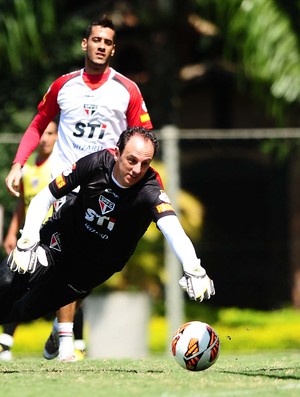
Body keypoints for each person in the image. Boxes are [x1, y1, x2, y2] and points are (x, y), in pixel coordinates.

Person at [4, 15, 153, 362]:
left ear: (113, 49)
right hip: (68, 188)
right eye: (96, 40)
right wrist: (17, 164)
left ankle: (58, 330)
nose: (101, 46)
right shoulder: (64, 85)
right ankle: (67, 345)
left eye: (108, 42)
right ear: (85, 44)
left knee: (90, 271)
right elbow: (39, 122)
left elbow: (145, 140)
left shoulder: (127, 90)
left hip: (108, 190)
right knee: (65, 261)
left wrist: (149, 187)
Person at [0, 128, 215, 339]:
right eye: (131, 160)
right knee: (7, 279)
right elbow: (44, 197)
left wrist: (194, 268)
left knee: (24, 308)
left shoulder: (150, 191)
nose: (137, 169)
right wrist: (27, 241)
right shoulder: (95, 163)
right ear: (116, 152)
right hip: (59, 239)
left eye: (145, 163)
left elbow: (173, 230)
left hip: (92, 267)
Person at [0, 121, 58, 361]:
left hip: (54, 237)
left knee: (66, 288)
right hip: (29, 238)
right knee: (14, 283)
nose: (44, 138)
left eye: (50, 133)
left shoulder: (61, 165)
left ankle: (73, 342)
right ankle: (5, 344)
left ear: (58, 137)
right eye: (41, 133)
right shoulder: (28, 170)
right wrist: (12, 232)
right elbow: (21, 204)